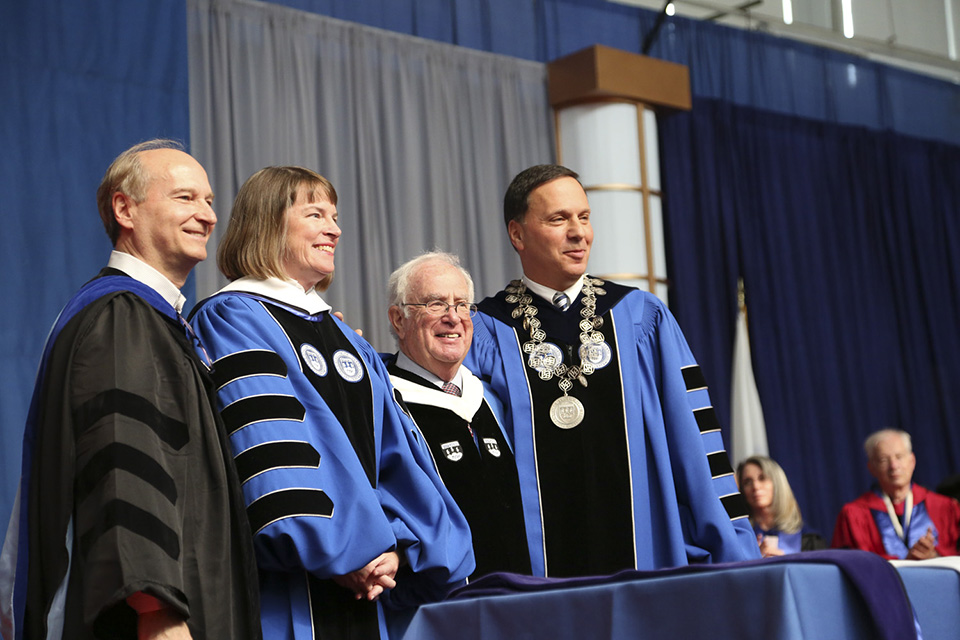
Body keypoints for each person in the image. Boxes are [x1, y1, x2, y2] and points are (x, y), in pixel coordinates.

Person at [188, 167, 474, 639]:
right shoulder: (233, 318)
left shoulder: (346, 338)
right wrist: (341, 551)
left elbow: (395, 456)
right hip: (288, 590)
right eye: (315, 213)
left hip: (368, 586)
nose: (335, 229)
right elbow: (271, 450)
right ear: (268, 223)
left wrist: (398, 546)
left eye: (335, 216)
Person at [0, 140, 261, 639]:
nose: (207, 216)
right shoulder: (121, 317)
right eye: (186, 198)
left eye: (208, 201)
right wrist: (157, 611)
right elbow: (125, 468)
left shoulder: (159, 323)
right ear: (125, 208)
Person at [463, 164, 759, 578]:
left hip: (644, 553)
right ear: (517, 234)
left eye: (584, 217)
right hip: (534, 569)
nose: (578, 232)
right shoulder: (484, 331)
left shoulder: (640, 317)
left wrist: (733, 550)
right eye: (558, 219)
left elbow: (694, 441)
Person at [385, 252, 532, 579]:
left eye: (462, 305)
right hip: (437, 607)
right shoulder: (383, 404)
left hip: (522, 604)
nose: (453, 318)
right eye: (435, 304)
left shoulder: (494, 399)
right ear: (399, 319)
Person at [832, 428, 960, 559]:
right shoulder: (854, 514)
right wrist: (903, 562)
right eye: (883, 460)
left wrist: (936, 556)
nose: (894, 466)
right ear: (871, 468)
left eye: (899, 457)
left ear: (912, 461)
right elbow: (849, 563)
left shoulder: (945, 507)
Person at [736, 456, 826, 556]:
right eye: (747, 482)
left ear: (777, 483)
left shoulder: (809, 540)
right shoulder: (739, 539)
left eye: (762, 478)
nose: (755, 487)